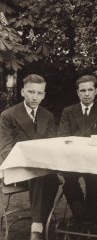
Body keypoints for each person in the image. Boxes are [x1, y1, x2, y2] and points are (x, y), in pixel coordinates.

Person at [0, 74, 59, 240]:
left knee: (51, 179)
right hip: (15, 168)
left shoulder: (47, 116)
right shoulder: (8, 115)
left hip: (40, 168)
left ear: (44, 95)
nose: (35, 97)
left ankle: (39, 222)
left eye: (39, 93)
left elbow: (50, 145)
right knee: (39, 175)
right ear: (22, 92)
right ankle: (37, 226)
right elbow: (5, 149)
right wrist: (30, 163)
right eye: (31, 92)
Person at [57, 75, 97, 225]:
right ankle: (83, 217)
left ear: (96, 91)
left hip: (95, 160)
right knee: (69, 182)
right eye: (82, 90)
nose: (86, 94)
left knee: (95, 181)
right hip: (73, 159)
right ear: (78, 92)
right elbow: (63, 136)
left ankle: (89, 218)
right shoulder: (68, 111)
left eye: (90, 90)